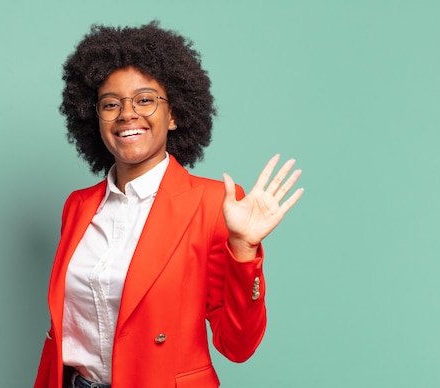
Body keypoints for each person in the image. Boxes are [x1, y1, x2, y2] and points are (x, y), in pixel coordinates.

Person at [34, 21, 303, 388]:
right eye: (110, 104)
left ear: (174, 114)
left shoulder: (211, 205)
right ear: (94, 118)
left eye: (145, 100)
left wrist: (243, 248)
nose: (127, 114)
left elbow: (237, 346)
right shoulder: (78, 206)